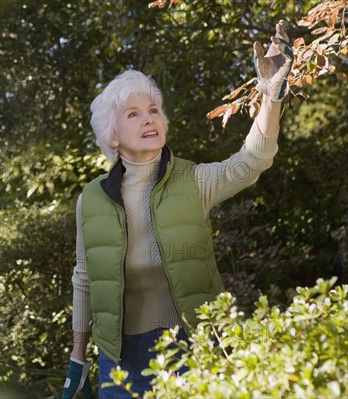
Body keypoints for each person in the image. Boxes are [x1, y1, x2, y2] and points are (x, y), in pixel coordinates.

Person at [61, 20, 294, 399]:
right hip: (118, 359)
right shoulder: (92, 199)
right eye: (133, 114)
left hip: (191, 347)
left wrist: (271, 96)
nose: (148, 118)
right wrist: (77, 356)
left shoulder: (193, 181)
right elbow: (84, 278)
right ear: (113, 136)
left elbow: (251, 162)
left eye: (152, 110)